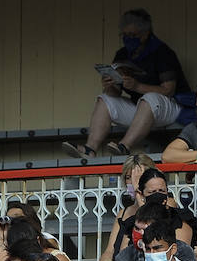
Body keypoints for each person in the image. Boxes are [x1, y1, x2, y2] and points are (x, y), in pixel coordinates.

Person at [66, 9, 187, 158]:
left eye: (133, 35)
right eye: (125, 35)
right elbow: (115, 94)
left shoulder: (162, 52)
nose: (128, 39)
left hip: (170, 107)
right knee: (104, 99)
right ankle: (90, 149)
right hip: (140, 110)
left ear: (145, 34)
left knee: (150, 98)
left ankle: (124, 146)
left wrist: (137, 86)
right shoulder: (122, 54)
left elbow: (169, 90)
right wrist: (110, 84)